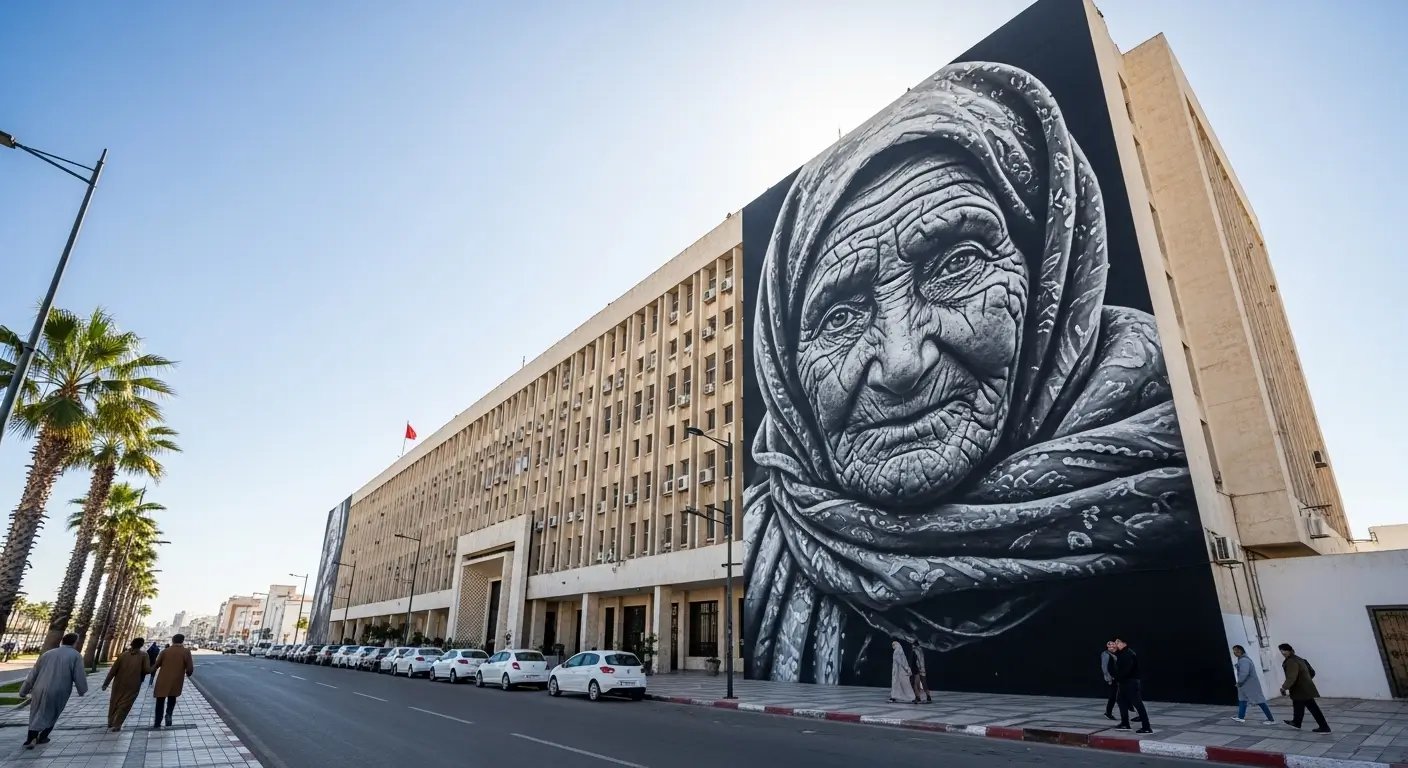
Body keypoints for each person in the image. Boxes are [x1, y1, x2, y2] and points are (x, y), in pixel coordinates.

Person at [741, 60, 1200, 686]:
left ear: (1050, 277)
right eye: (841, 315)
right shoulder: (763, 534)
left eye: (956, 264)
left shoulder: (1176, 458)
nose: (902, 362)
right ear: (785, 366)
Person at [18, 632, 87, 749]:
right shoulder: (75, 656)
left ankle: (32, 737)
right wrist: (82, 690)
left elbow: (33, 673)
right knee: (52, 713)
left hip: (39, 688)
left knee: (36, 712)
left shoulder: (47, 654)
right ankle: (40, 737)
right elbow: (79, 674)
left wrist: (24, 690)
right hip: (59, 689)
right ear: (75, 642)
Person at [103, 638, 153, 731]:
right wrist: (155, 666)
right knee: (125, 703)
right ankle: (117, 724)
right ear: (141, 645)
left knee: (115, 701)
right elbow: (147, 670)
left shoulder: (123, 654)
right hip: (133, 683)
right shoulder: (144, 655)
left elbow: (113, 669)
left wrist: (106, 683)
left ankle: (110, 722)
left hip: (118, 682)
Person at [1278, 643, 1330, 732]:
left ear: (1290, 650)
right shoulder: (1299, 659)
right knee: (1298, 705)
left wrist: (1284, 687)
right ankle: (1297, 722)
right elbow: (1312, 672)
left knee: (1313, 708)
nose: (1283, 652)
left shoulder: (1291, 661)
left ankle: (1324, 727)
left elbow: (1292, 676)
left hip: (1301, 689)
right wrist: (1305, 680)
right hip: (1303, 688)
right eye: (1281, 651)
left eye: (1284, 650)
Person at [152, 633, 194, 729]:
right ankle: (169, 715)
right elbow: (190, 667)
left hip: (163, 679)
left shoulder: (165, 651)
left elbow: (156, 665)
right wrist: (188, 673)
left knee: (160, 701)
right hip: (176, 680)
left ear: (173, 640)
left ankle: (157, 722)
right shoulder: (186, 652)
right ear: (182, 641)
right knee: (172, 698)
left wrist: (147, 671)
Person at [1112, 638, 1153, 734]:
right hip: (1125, 682)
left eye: (1118, 642)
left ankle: (1146, 727)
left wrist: (1117, 678)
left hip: (1130, 682)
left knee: (1138, 704)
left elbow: (1126, 670)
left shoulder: (1128, 654)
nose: (1115, 644)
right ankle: (1125, 723)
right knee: (1121, 701)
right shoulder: (1123, 653)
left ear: (1124, 643)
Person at [1231, 645, 1273, 724]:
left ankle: (1271, 719)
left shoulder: (1244, 660)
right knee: (1242, 701)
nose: (1234, 653)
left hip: (1249, 685)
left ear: (1239, 651)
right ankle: (1240, 717)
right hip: (1244, 686)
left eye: (1235, 651)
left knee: (1260, 701)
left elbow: (1244, 673)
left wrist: (1239, 682)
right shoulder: (1242, 659)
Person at [888, 639, 917, 704]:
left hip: (899, 672)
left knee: (899, 684)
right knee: (904, 684)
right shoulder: (901, 651)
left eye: (893, 645)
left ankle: (896, 697)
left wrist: (906, 668)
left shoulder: (897, 651)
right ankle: (909, 697)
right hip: (901, 671)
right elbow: (904, 661)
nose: (893, 646)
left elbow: (901, 661)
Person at [1102, 641, 1118, 720]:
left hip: (1116, 678)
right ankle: (1108, 713)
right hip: (1112, 678)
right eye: (1110, 645)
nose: (1112, 647)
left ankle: (1108, 712)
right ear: (1107, 646)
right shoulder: (1105, 654)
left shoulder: (1113, 654)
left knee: (1115, 696)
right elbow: (1104, 667)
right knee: (1113, 696)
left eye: (1113, 645)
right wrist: (1109, 679)